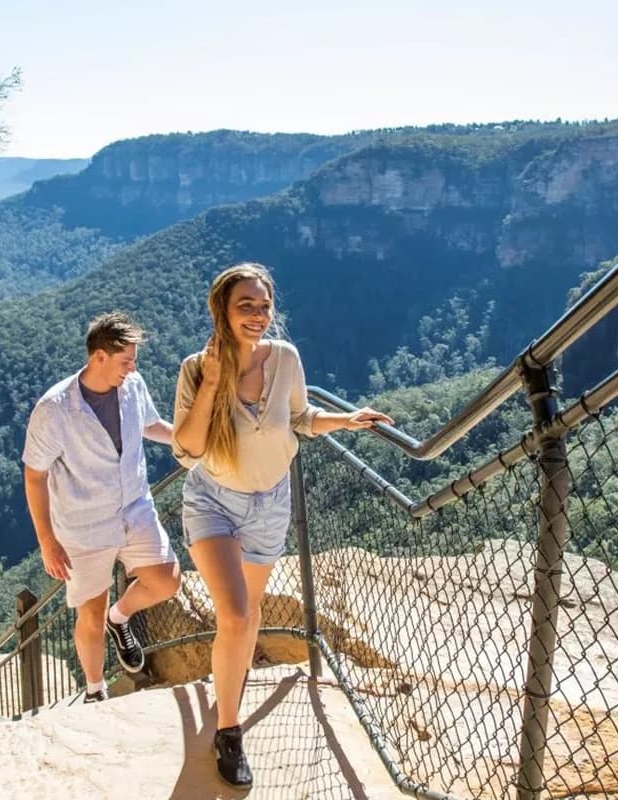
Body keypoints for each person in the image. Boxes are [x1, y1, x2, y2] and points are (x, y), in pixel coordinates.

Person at [172, 263, 393, 786]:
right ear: (222, 311)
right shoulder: (195, 368)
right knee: (235, 614)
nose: (257, 315)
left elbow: (299, 418)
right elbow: (188, 449)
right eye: (245, 305)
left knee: (247, 617)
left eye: (264, 306)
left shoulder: (286, 358)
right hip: (214, 503)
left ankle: (228, 689)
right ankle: (229, 731)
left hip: (270, 505)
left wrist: (346, 420)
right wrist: (213, 382)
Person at [22, 311, 180, 703]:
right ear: (99, 357)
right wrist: (47, 542)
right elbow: (35, 476)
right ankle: (95, 690)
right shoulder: (54, 409)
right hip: (84, 523)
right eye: (126, 360)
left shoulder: (133, 385)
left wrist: (189, 442)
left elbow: (150, 425)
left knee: (167, 580)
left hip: (134, 506)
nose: (133, 368)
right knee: (90, 613)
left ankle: (120, 618)